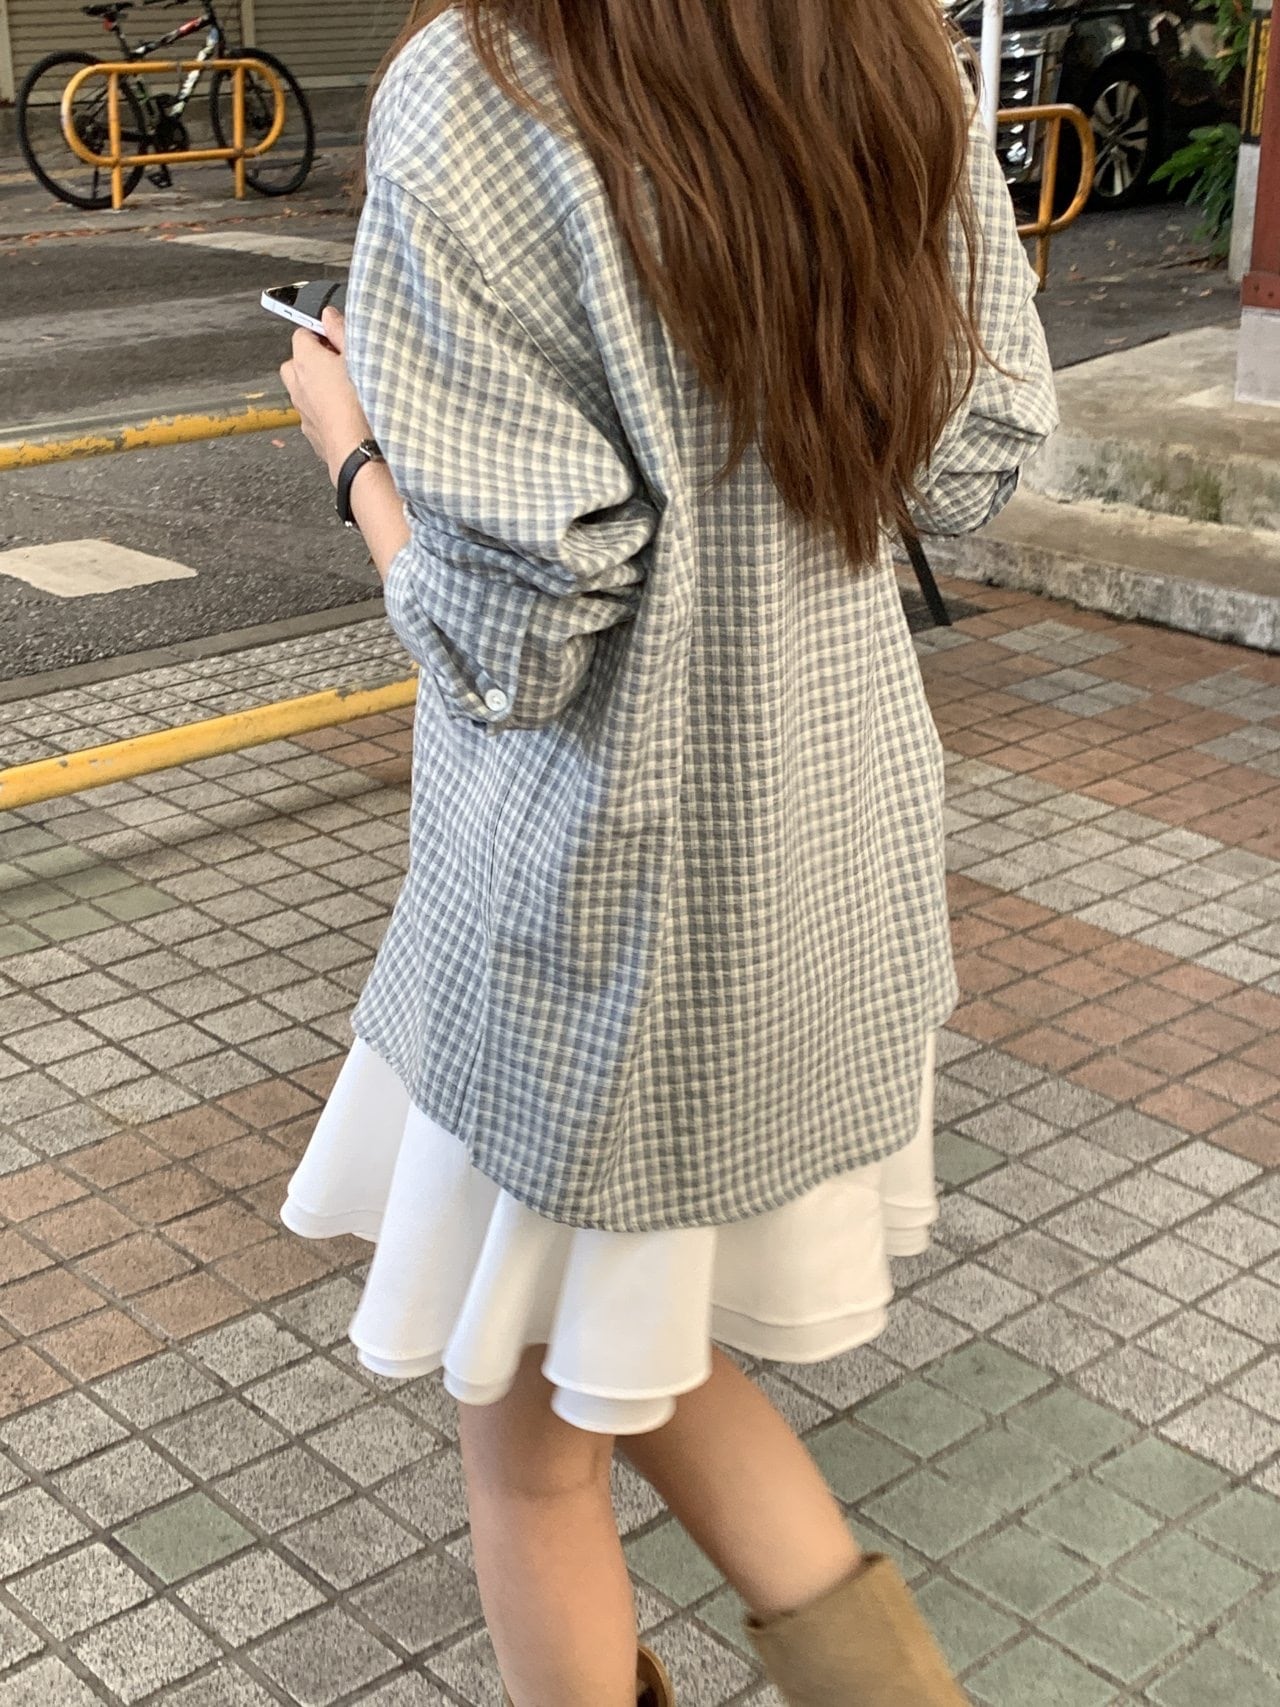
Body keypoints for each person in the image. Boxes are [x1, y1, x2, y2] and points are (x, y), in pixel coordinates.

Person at [276, 0, 1057, 1701]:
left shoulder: (481, 80)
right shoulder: (888, 41)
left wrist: (351, 446)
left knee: (535, 1445)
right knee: (629, 1353)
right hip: (826, 854)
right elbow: (975, 456)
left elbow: (512, 639)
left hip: (593, 916)